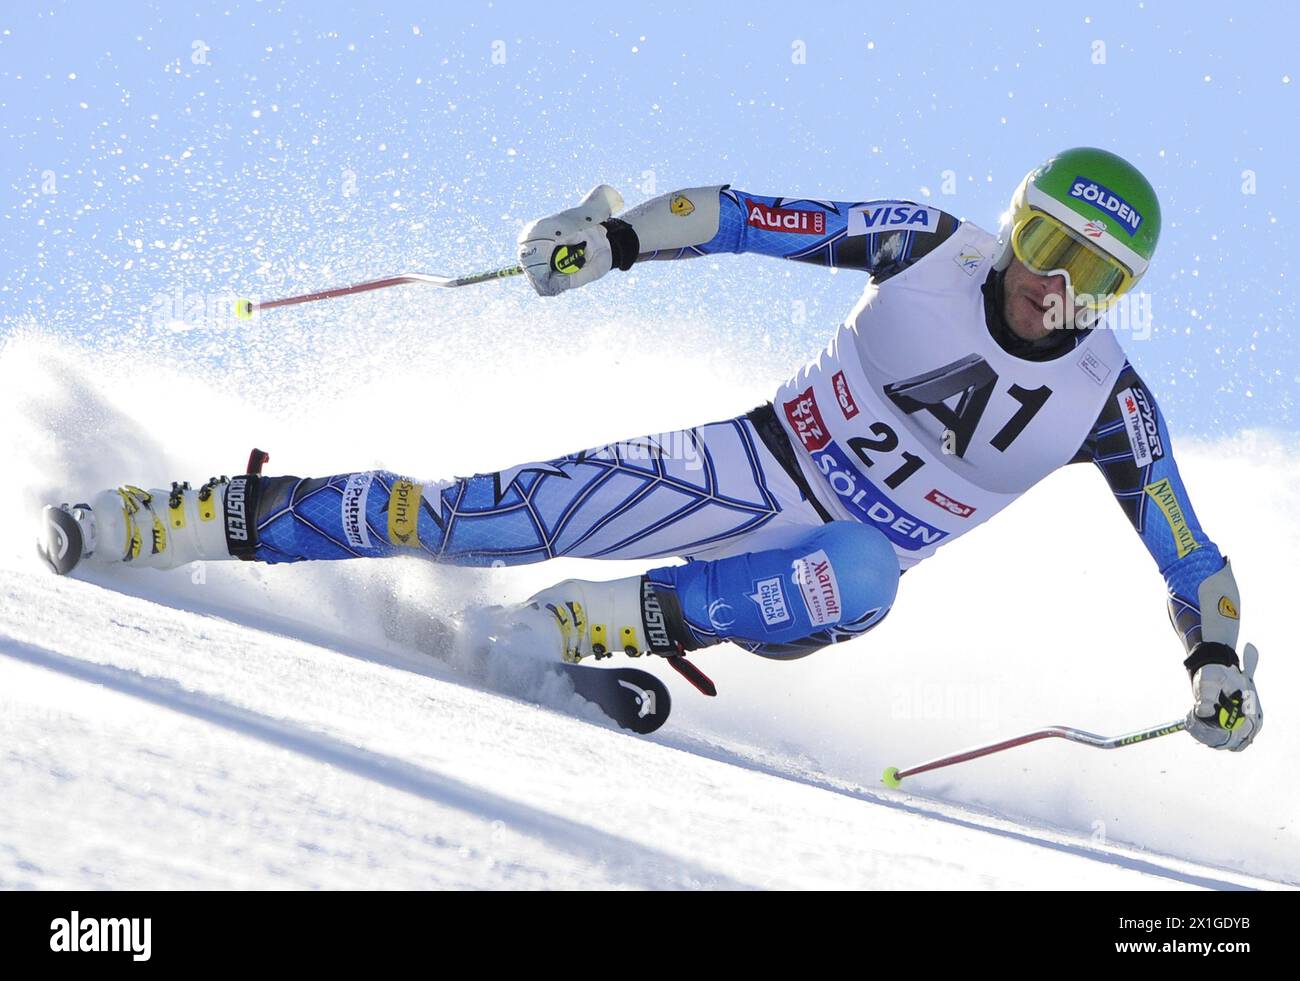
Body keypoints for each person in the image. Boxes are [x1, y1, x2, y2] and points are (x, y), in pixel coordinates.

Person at [40, 147, 1261, 751]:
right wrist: (610, 240)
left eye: (1095, 276)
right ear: (1013, 229)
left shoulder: (1111, 400)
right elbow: (746, 218)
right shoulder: (926, 248)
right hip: (743, 459)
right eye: (1047, 247)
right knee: (461, 519)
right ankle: (184, 520)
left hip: (813, 576)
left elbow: (1189, 552)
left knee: (863, 571)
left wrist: (1216, 660)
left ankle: (572, 628)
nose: (1057, 289)